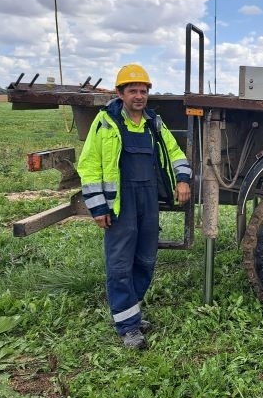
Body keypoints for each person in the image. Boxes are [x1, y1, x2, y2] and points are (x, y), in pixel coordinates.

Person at [77, 64, 192, 349]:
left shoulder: (154, 123)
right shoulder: (106, 122)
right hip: (120, 204)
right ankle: (128, 326)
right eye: (133, 91)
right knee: (119, 265)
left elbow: (175, 152)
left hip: (148, 200)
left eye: (143, 91)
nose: (139, 96)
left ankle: (130, 310)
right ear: (120, 93)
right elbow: (89, 164)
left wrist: (182, 179)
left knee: (146, 260)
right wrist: (98, 207)